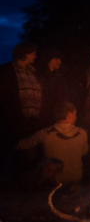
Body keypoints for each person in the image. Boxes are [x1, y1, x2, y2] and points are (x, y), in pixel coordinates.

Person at [16, 102, 88, 186]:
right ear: (69, 115)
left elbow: (19, 145)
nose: (76, 117)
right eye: (75, 114)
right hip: (75, 181)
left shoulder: (44, 133)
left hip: (51, 184)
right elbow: (84, 152)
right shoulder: (82, 133)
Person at [1, 43, 44, 176]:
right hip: (14, 118)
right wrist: (11, 115)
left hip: (33, 118)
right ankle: (7, 180)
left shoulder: (33, 72)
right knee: (11, 148)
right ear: (24, 54)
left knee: (30, 149)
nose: (35, 56)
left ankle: (26, 178)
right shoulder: (7, 71)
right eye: (33, 53)